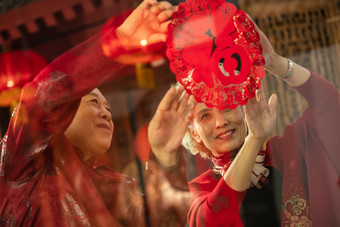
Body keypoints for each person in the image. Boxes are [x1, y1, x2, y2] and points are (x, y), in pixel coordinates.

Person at [0, 1, 190, 226]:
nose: (106, 114)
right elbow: (41, 100)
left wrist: (164, 156)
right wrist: (118, 42)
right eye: (93, 102)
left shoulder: (118, 187)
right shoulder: (24, 168)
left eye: (108, 109)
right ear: (62, 114)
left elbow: (163, 220)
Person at [148, 13, 340, 227]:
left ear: (242, 106)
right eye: (205, 115)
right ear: (193, 131)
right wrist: (254, 141)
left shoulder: (288, 150)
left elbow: (331, 106)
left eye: (227, 106)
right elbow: (215, 220)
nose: (221, 121)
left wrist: (275, 62)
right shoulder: (197, 192)